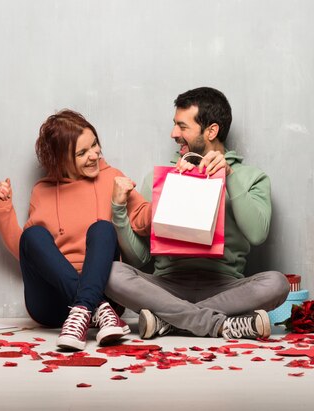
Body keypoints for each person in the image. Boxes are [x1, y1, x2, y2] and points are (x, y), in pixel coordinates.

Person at [106, 87, 290, 341]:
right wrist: (118, 210)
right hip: (166, 288)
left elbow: (257, 234)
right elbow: (140, 259)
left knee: (277, 283)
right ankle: (218, 325)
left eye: (182, 126)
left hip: (226, 287)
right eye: (175, 125)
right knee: (111, 272)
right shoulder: (159, 178)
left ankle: (169, 321)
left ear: (211, 131)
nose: (174, 134)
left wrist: (230, 176)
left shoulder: (252, 178)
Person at [0, 109, 151, 350]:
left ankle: (88, 306)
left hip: (105, 292)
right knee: (32, 236)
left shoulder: (113, 178)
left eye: (94, 144)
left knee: (103, 229)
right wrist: (2, 208)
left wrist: (174, 196)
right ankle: (93, 308)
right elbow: (26, 251)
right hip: (52, 305)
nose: (95, 155)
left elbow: (141, 219)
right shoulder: (41, 191)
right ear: (62, 160)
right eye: (82, 153)